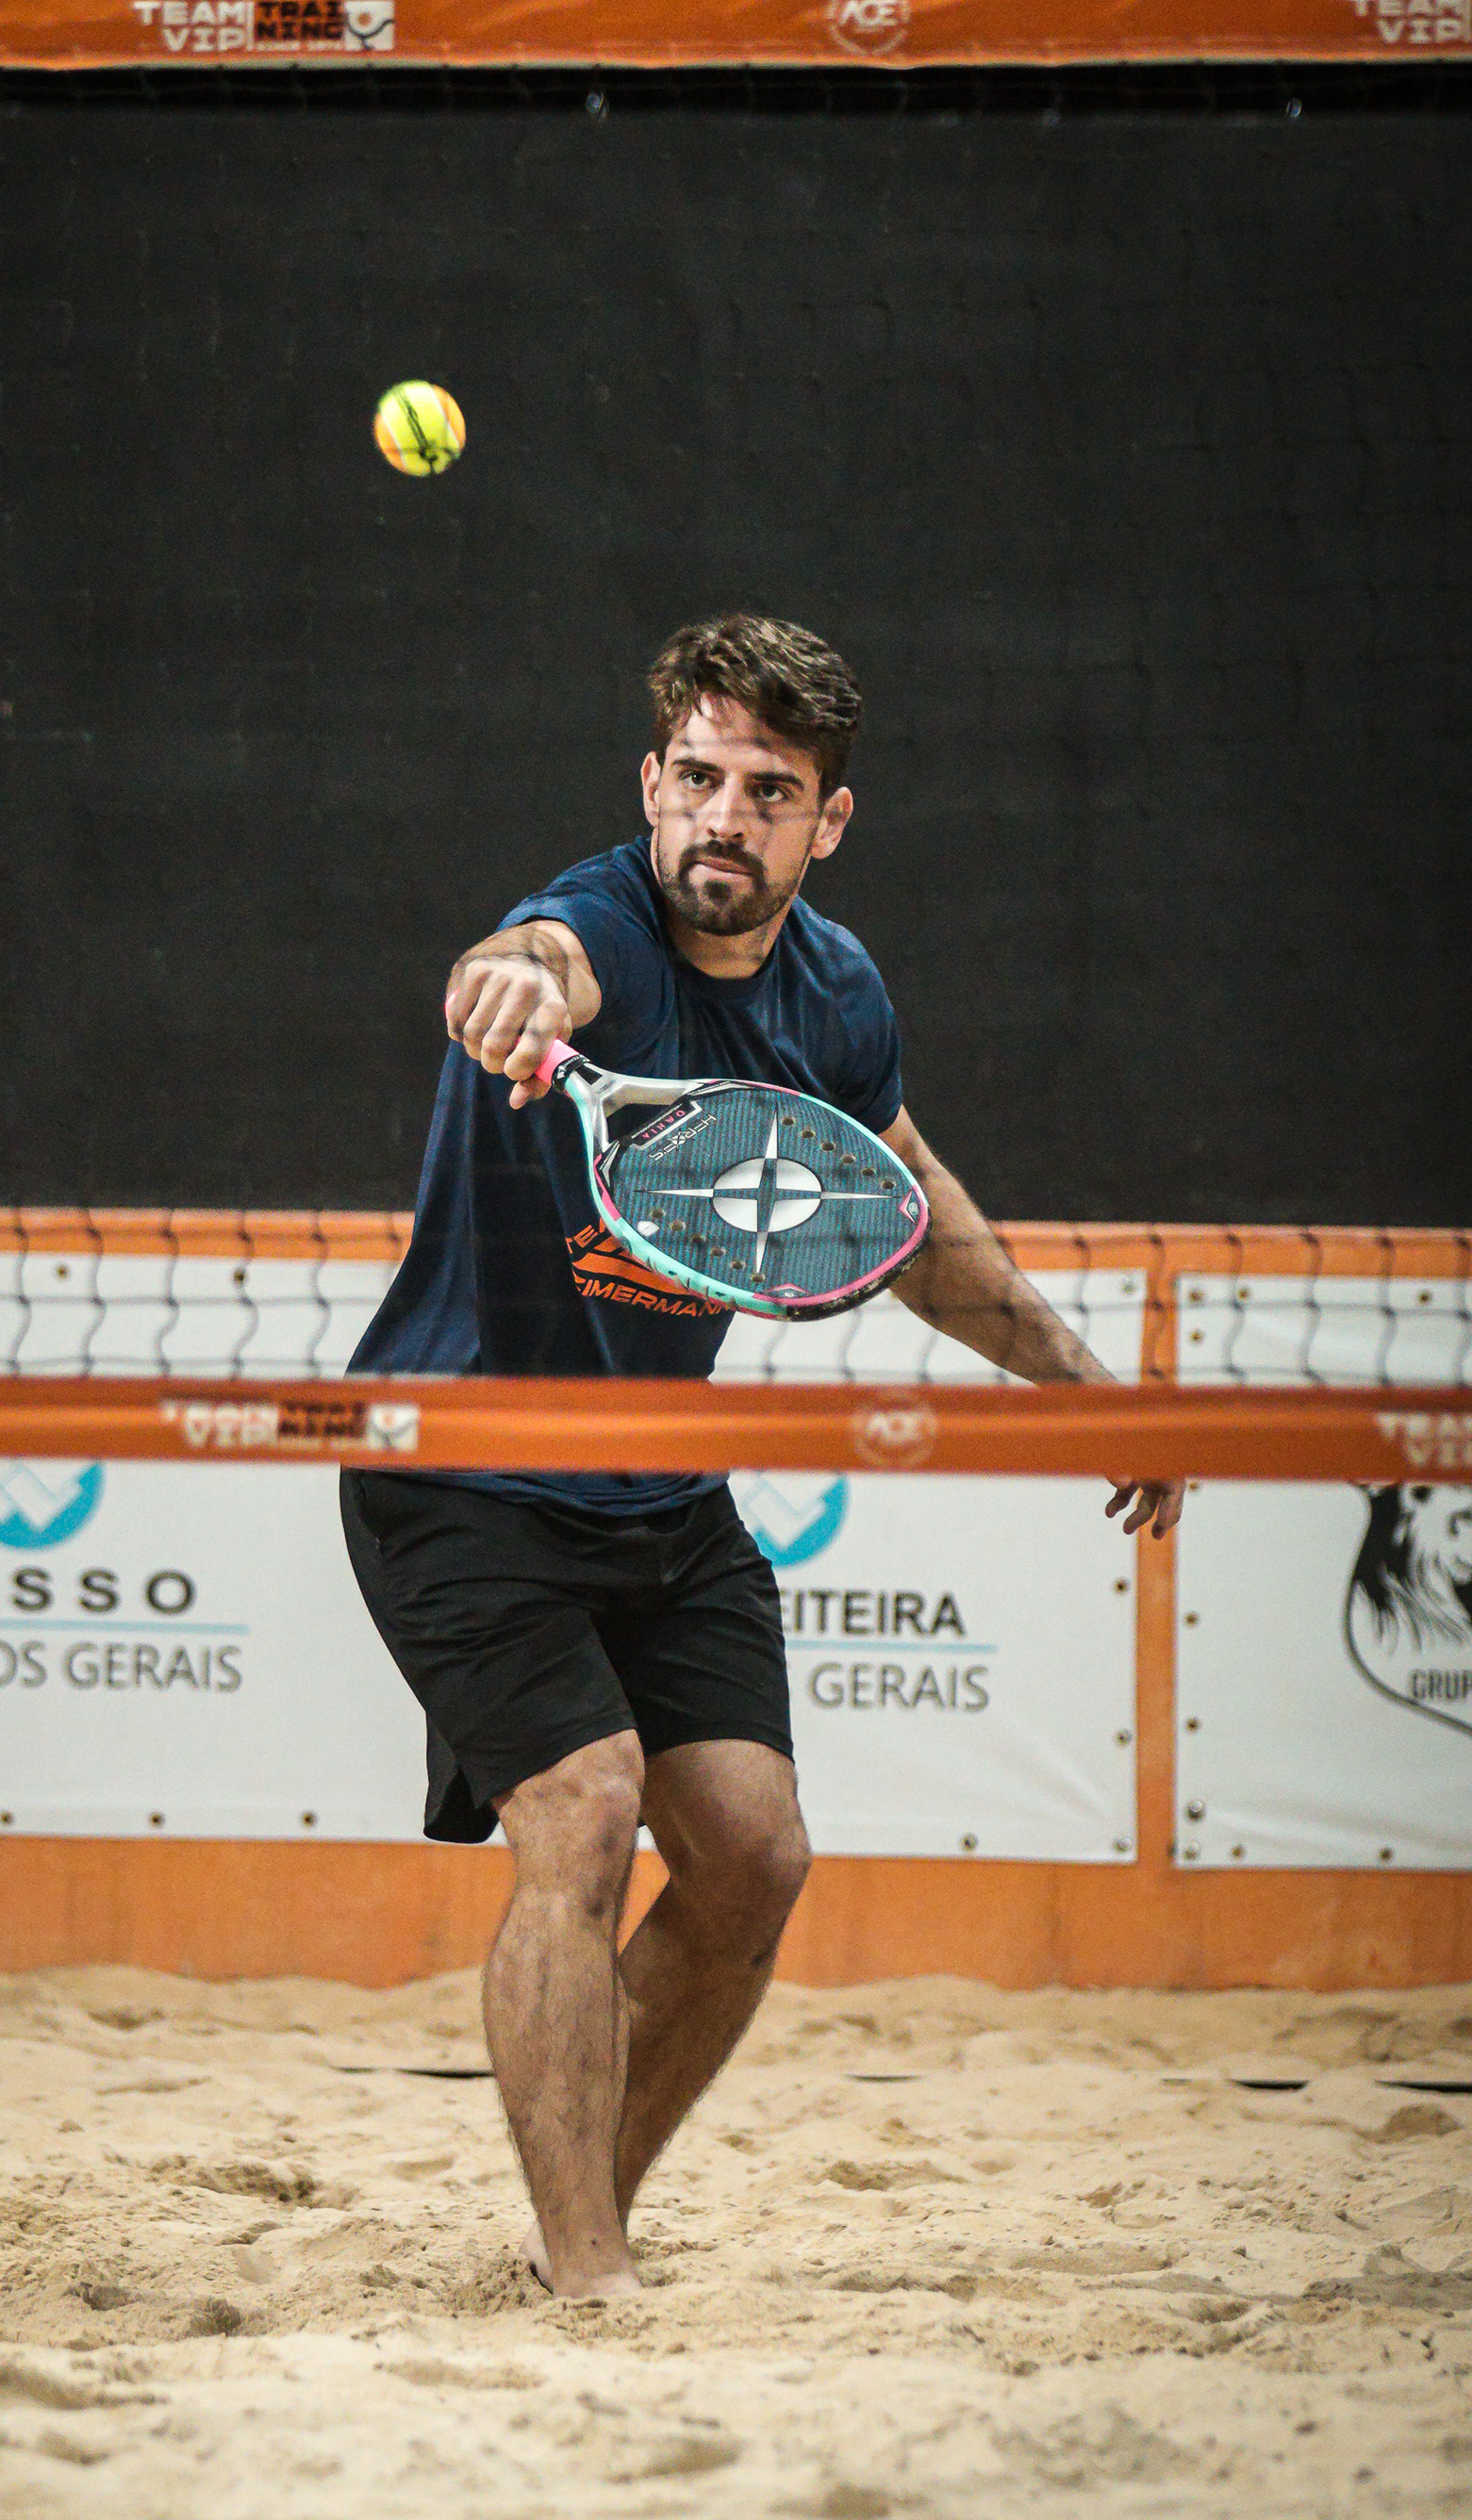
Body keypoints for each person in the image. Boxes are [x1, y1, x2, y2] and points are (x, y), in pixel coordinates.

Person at [342, 613, 1183, 2300]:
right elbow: (531, 957)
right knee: (585, 1812)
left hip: (665, 1480)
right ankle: (591, 2276)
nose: (724, 816)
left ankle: (576, 2223)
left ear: (827, 821)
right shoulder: (594, 927)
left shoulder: (836, 994)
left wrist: (1088, 1386)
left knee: (753, 1858)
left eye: (770, 790)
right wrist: (507, 977)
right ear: (652, 785)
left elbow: (905, 1207)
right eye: (699, 778)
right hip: (464, 1465)